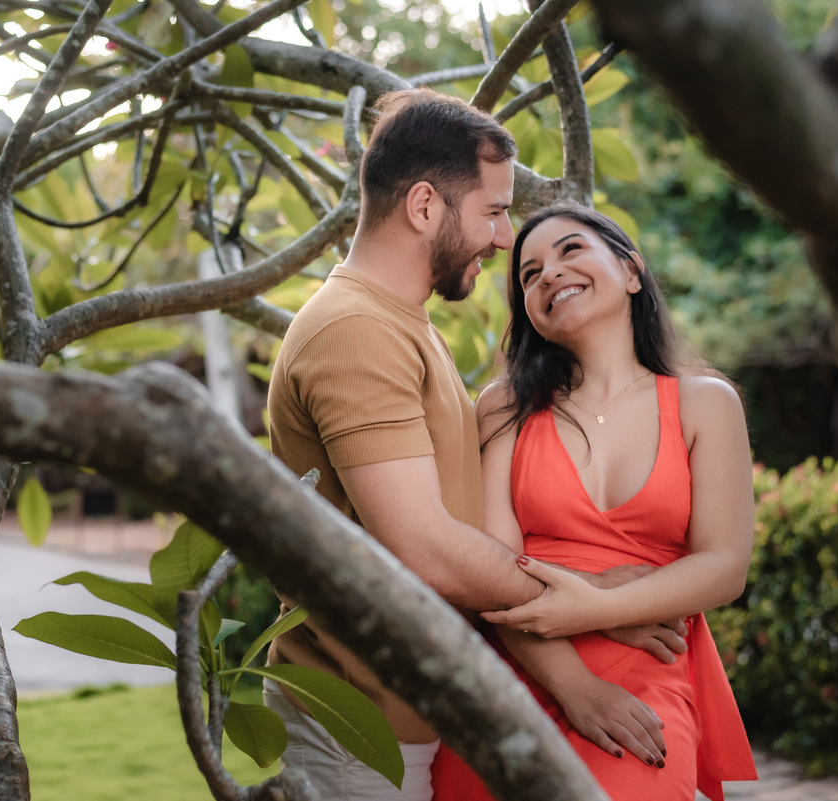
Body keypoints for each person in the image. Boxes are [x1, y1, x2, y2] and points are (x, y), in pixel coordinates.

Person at [264, 90, 686, 800]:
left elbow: (458, 530)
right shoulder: (355, 330)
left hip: (402, 723)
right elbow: (426, 545)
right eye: (492, 211)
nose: (501, 237)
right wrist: (592, 596)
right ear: (425, 206)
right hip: (355, 729)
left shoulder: (405, 324)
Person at [430, 203, 759, 800]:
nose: (549, 273)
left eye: (570, 250)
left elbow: (724, 566)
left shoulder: (705, 403)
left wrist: (594, 608)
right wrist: (578, 685)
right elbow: (489, 569)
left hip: (643, 685)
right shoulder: (504, 406)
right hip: (517, 671)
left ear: (631, 272)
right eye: (529, 274)